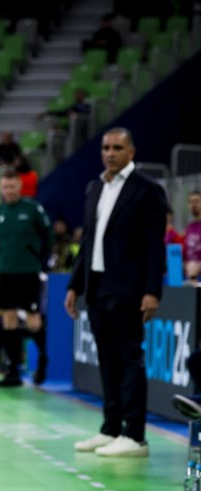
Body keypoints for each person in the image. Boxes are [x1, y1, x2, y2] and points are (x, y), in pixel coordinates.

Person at [65, 128, 169, 458]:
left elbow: (155, 246)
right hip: (96, 286)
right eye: (106, 147)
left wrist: (152, 291)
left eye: (118, 148)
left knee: (129, 360)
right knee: (107, 361)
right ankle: (111, 428)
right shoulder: (95, 187)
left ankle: (135, 435)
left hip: (129, 289)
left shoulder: (147, 190)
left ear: (131, 152)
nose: (110, 153)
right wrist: (74, 284)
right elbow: (88, 241)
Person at [0, 170, 51, 387]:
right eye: (5, 187)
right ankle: (13, 369)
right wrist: (3, 260)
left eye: (12, 186)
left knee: (33, 320)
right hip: (6, 273)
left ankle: (43, 360)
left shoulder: (32, 209)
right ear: (1, 189)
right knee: (8, 318)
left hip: (29, 272)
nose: (9, 191)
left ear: (20, 187)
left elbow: (48, 235)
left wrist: (39, 260)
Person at [182, 191, 201, 280]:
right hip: (190, 274)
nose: (193, 205)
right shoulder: (189, 228)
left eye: (196, 201)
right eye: (191, 202)